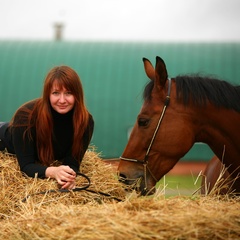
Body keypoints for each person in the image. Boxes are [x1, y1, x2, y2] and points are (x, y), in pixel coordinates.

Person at [0, 65, 94, 190]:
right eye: (56, 93)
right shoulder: (25, 116)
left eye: (68, 93)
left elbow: (72, 163)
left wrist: (68, 178)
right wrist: (53, 172)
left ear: (77, 95)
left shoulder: (85, 122)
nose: (62, 100)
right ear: (47, 94)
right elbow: (26, 166)